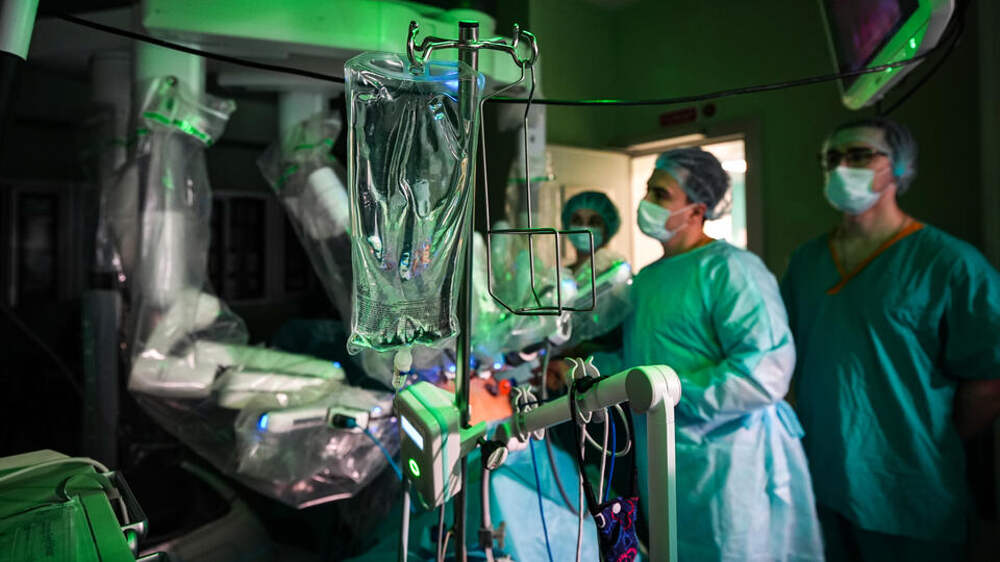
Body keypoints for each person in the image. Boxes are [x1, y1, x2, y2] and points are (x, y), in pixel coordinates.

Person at [583, 147, 823, 560]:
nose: (646, 202)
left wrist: (670, 396)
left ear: (697, 210)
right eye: (649, 191)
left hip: (729, 463)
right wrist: (585, 372)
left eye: (661, 194)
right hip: (666, 456)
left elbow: (763, 373)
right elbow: (641, 363)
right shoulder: (647, 280)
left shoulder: (731, 269)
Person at [781, 117, 1000, 561]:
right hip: (823, 483)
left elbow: (989, 383)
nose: (841, 166)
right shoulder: (807, 263)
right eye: (831, 158)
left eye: (859, 155)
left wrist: (920, 440)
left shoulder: (949, 264)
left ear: (900, 167)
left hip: (912, 492)